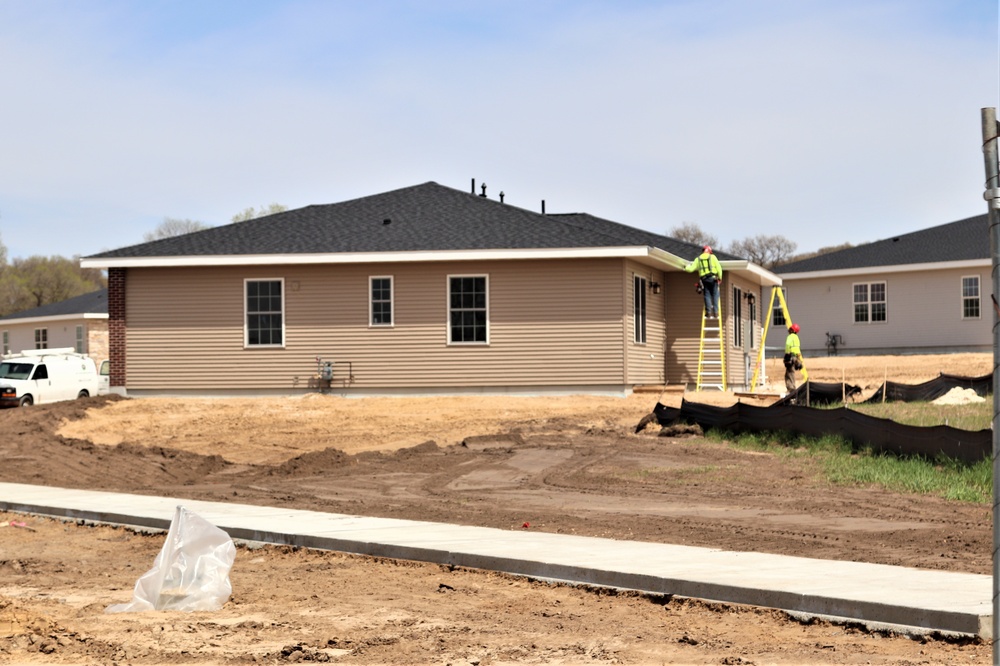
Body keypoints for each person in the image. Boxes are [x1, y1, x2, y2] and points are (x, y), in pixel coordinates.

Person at [684, 245, 723, 318]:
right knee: (715, 295)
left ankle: (708, 312)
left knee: (707, 295)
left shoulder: (698, 259)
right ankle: (715, 312)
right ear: (709, 251)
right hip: (713, 278)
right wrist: (720, 278)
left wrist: (685, 267)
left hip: (704, 280)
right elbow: (719, 268)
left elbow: (690, 269)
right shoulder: (713, 257)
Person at [784, 323, 803, 395]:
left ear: (792, 330)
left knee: (789, 373)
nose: (789, 330)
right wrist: (799, 359)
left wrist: (787, 355)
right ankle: (792, 388)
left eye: (790, 328)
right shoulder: (797, 338)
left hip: (790, 356)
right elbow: (798, 348)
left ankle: (791, 390)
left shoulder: (790, 337)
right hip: (796, 357)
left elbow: (788, 345)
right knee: (791, 373)